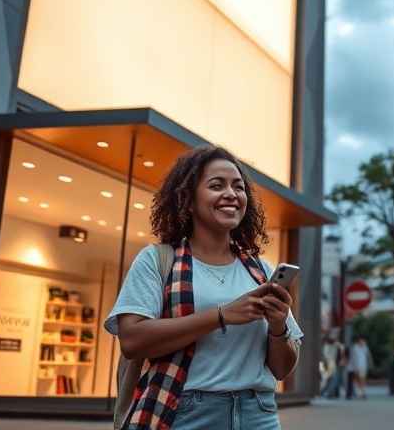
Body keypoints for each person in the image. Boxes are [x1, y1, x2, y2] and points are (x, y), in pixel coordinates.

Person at [106, 146, 300, 430]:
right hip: (185, 411)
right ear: (188, 200)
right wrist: (221, 315)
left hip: (259, 412)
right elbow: (132, 340)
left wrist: (279, 326)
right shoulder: (158, 260)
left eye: (239, 187)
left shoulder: (261, 272)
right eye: (216, 185)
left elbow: (282, 370)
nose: (231, 194)